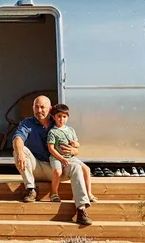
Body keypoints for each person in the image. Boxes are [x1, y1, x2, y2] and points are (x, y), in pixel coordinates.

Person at [11, 95, 91, 225]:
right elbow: (18, 138)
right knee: (19, 149)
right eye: (36, 107)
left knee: (76, 167)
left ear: (50, 108)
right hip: (36, 166)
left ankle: (81, 209)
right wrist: (19, 152)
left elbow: (74, 146)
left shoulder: (59, 123)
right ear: (32, 108)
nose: (39, 110)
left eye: (42, 107)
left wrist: (74, 151)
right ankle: (31, 189)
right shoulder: (27, 123)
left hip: (57, 168)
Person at [46, 104, 98, 204]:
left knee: (86, 169)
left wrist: (76, 144)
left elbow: (77, 145)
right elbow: (51, 148)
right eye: (59, 116)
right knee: (58, 172)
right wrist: (61, 158)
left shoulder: (71, 130)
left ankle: (88, 193)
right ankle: (54, 193)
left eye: (64, 117)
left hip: (70, 157)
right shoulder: (53, 132)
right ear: (54, 117)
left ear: (68, 117)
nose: (62, 119)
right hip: (56, 158)